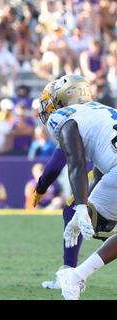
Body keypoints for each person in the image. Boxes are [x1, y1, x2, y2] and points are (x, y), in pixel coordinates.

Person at [37, 74, 117, 300]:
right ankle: (74, 274)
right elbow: (100, 165)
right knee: (89, 218)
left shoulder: (63, 116)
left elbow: (76, 162)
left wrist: (81, 207)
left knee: (93, 220)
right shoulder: (101, 109)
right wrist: (82, 206)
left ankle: (73, 274)